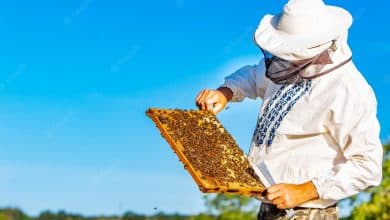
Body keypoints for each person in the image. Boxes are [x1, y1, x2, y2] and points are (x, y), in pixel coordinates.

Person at [195, 0, 383, 219]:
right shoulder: (288, 65)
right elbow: (255, 75)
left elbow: (367, 167)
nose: (283, 60)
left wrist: (305, 190)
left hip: (309, 212)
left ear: (314, 46)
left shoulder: (349, 90)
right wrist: (226, 92)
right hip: (269, 207)